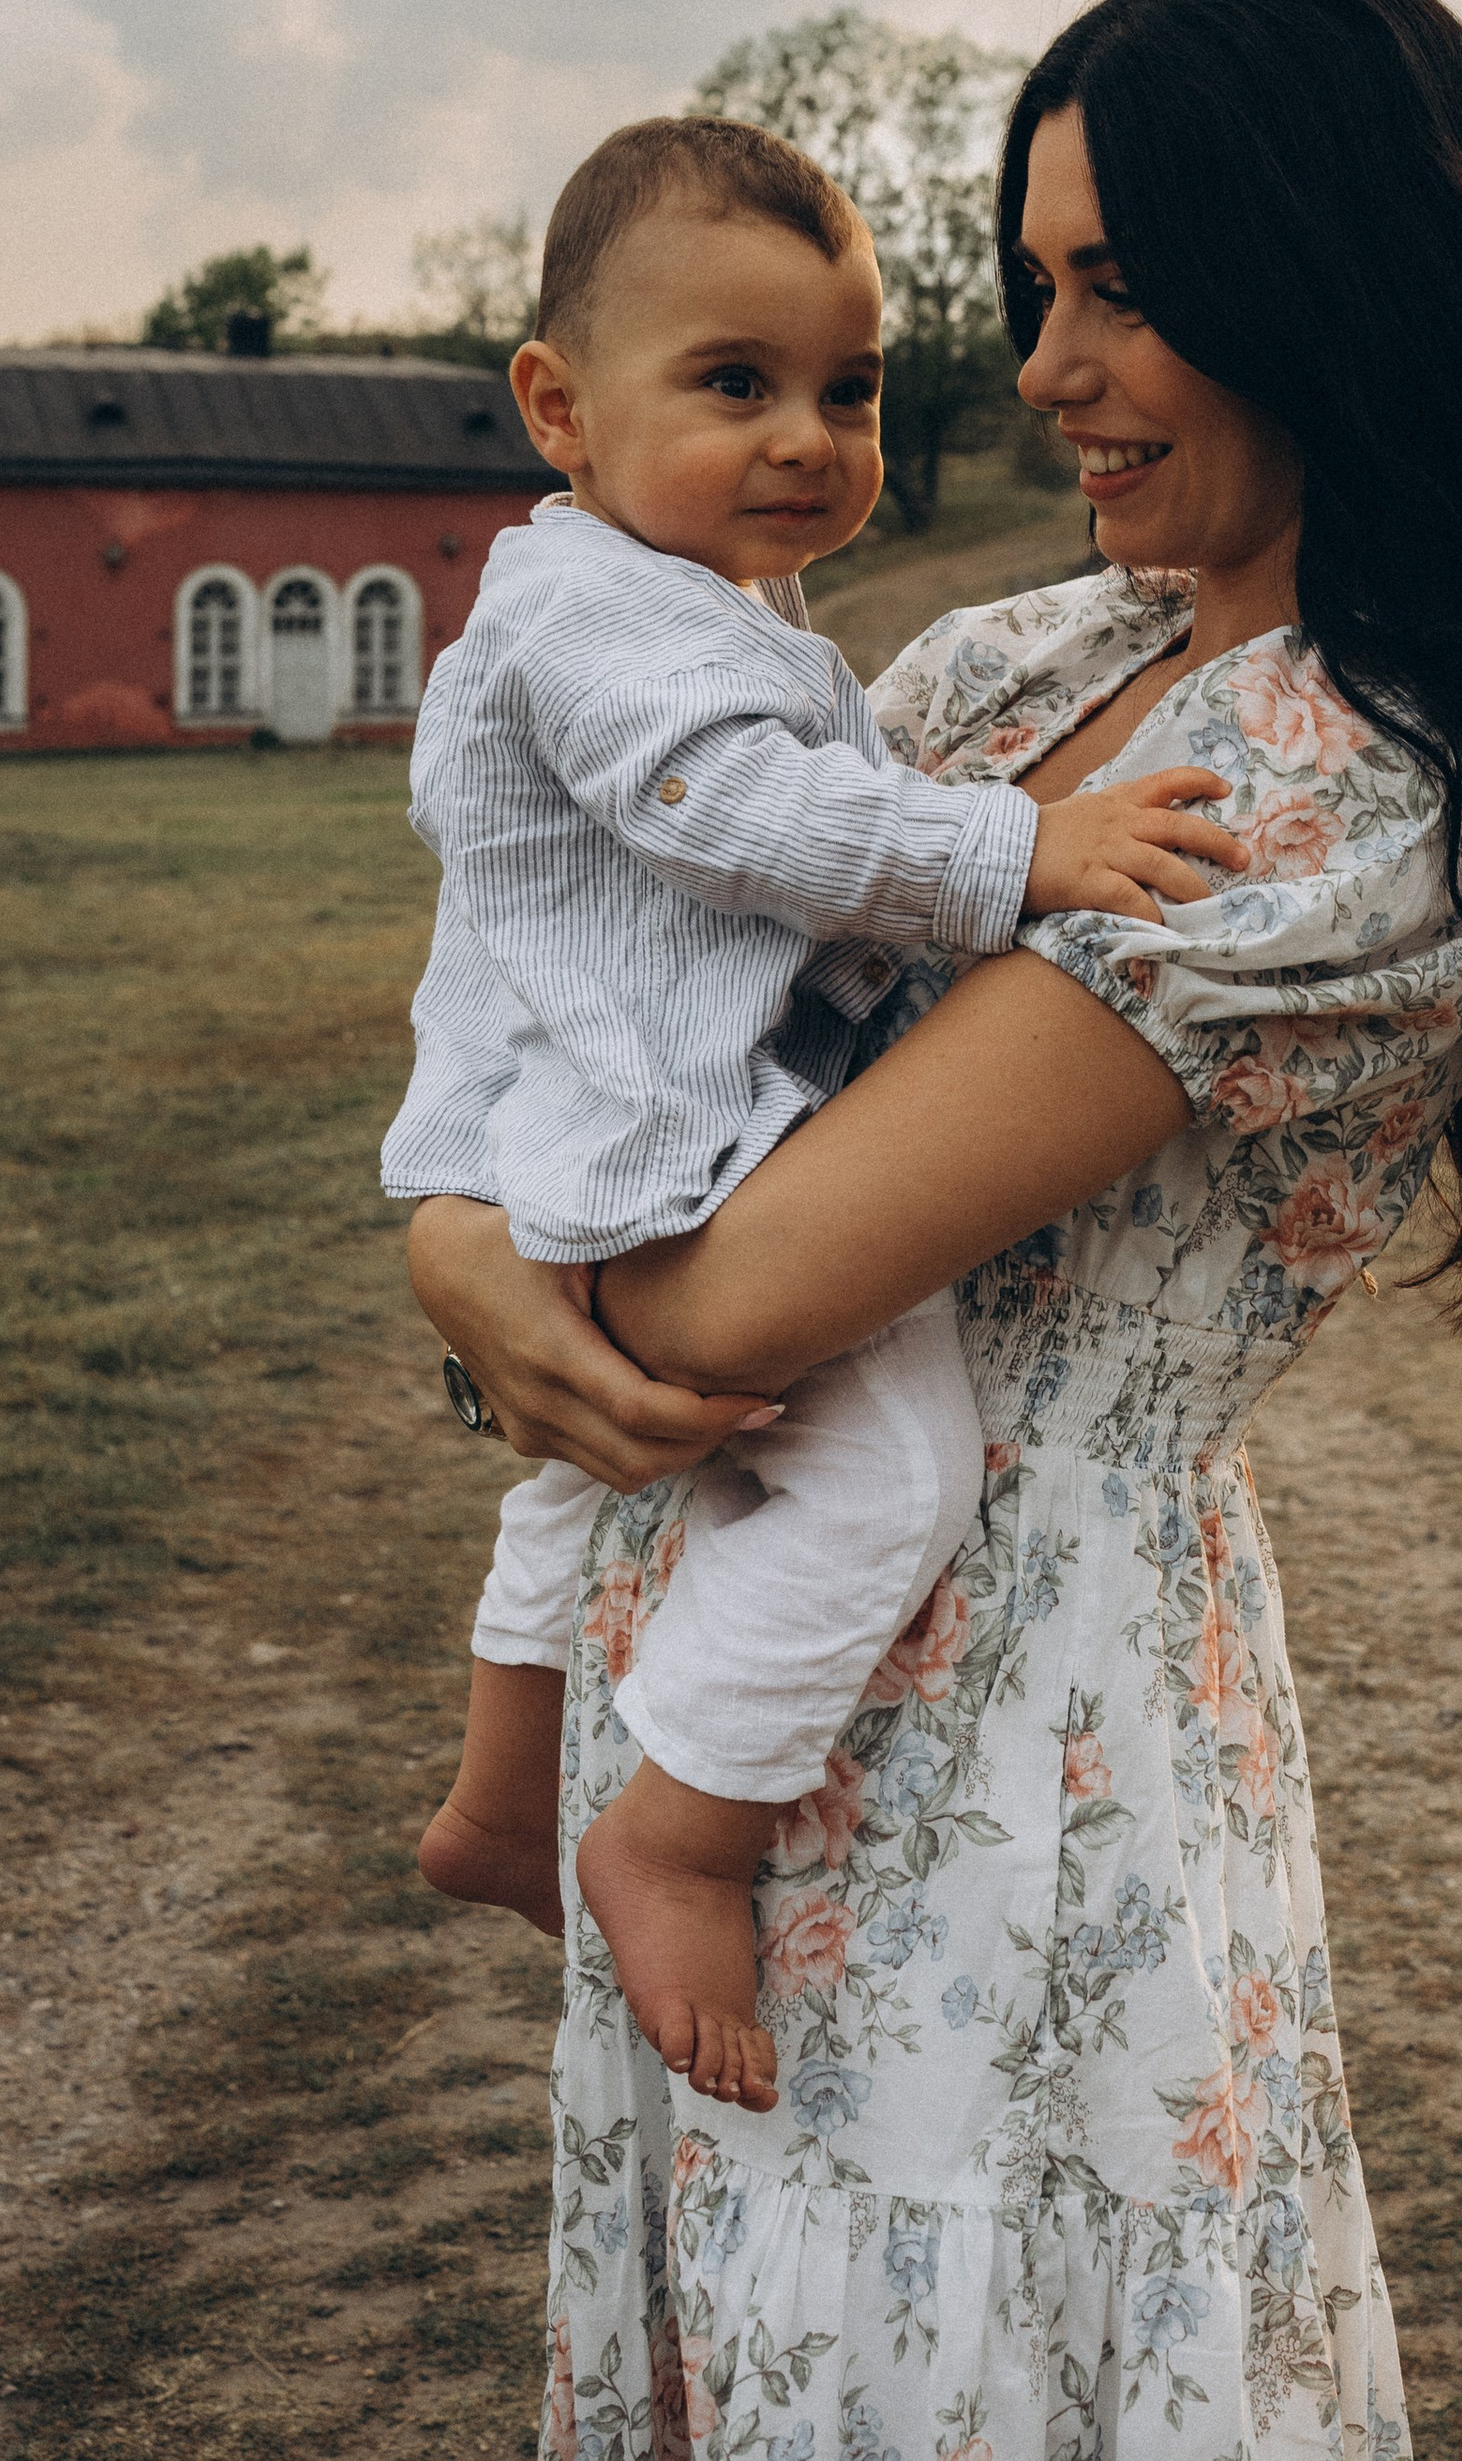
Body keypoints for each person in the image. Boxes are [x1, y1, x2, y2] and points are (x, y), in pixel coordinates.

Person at [411, 0, 1462, 2460]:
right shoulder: (1019, 670)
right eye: (1029, 286)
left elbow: (730, 1273)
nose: (1040, 367)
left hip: (1007, 1770)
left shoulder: (1348, 793)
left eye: (1120, 288)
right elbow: (618, 1003)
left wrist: (487, 1261)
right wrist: (454, 1242)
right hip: (728, 1676)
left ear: (1322, 286)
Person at [385, 110, 1241, 2104]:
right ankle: (671, 1832)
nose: (805, 437)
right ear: (555, 408)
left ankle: (509, 1792)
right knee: (865, 1479)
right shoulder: (615, 617)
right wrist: (1015, 848)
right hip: (657, 1139)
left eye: (846, 391)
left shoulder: (689, 595)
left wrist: (464, 1243)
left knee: (589, 1467)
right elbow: (730, 812)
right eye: (734, 384)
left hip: (631, 1133)